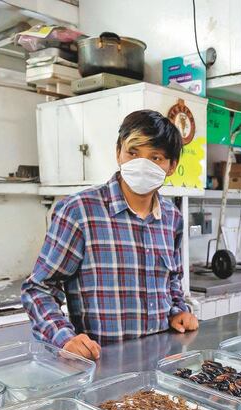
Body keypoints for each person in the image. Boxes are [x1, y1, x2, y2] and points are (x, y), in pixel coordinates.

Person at [22, 110, 199, 360]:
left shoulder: (172, 218)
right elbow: (38, 288)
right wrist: (64, 338)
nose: (142, 165)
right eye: (133, 153)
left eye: (156, 157)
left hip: (160, 363)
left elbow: (172, 280)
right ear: (118, 153)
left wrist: (177, 311)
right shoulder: (79, 211)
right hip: (101, 365)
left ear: (171, 166)